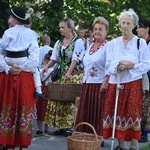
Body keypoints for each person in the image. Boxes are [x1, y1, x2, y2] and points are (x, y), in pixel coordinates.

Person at [103, 8, 150, 150]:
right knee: (116, 113)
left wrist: (131, 66)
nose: (125, 26)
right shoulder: (113, 43)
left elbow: (146, 64)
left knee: (132, 113)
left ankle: (134, 146)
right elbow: (108, 64)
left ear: (134, 25)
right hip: (115, 82)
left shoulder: (140, 43)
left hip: (133, 83)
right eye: (123, 22)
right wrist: (118, 64)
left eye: (128, 23)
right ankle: (121, 144)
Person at [0, 6, 39, 149]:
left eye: (10, 17)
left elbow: (0, 52)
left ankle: (6, 141)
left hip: (10, 75)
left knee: (9, 105)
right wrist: (19, 68)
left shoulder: (8, 33)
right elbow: (34, 59)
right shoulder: (31, 35)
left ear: (14, 19)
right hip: (22, 75)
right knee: (21, 106)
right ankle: (17, 143)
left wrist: (9, 67)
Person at [42, 18, 84, 135]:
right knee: (58, 98)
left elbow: (75, 58)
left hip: (74, 74)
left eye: (63, 27)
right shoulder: (58, 43)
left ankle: (71, 126)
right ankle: (61, 126)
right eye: (60, 27)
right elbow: (54, 58)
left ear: (70, 28)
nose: (60, 29)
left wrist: (69, 72)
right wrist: (46, 67)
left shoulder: (78, 42)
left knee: (70, 99)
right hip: (61, 73)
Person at [75, 16, 109, 147]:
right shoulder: (89, 46)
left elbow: (110, 65)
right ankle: (87, 136)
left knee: (98, 111)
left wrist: (106, 81)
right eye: (95, 29)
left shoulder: (108, 46)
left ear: (106, 31)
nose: (97, 31)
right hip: (87, 83)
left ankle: (99, 137)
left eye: (101, 29)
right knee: (86, 110)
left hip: (99, 84)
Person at [6, 8, 47, 101]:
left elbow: (33, 60)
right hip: (7, 76)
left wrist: (18, 66)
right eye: (9, 24)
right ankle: (39, 90)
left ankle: (39, 90)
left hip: (23, 75)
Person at [136, 19, 150, 142]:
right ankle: (137, 131)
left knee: (145, 106)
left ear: (147, 29)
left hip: (147, 79)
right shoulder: (138, 43)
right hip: (138, 77)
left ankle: (144, 133)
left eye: (140, 27)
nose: (137, 30)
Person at [36, 50, 54, 135]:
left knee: (39, 109)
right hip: (49, 91)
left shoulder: (40, 71)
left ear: (46, 61)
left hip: (41, 91)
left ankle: (39, 128)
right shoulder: (53, 70)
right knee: (47, 110)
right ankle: (46, 128)